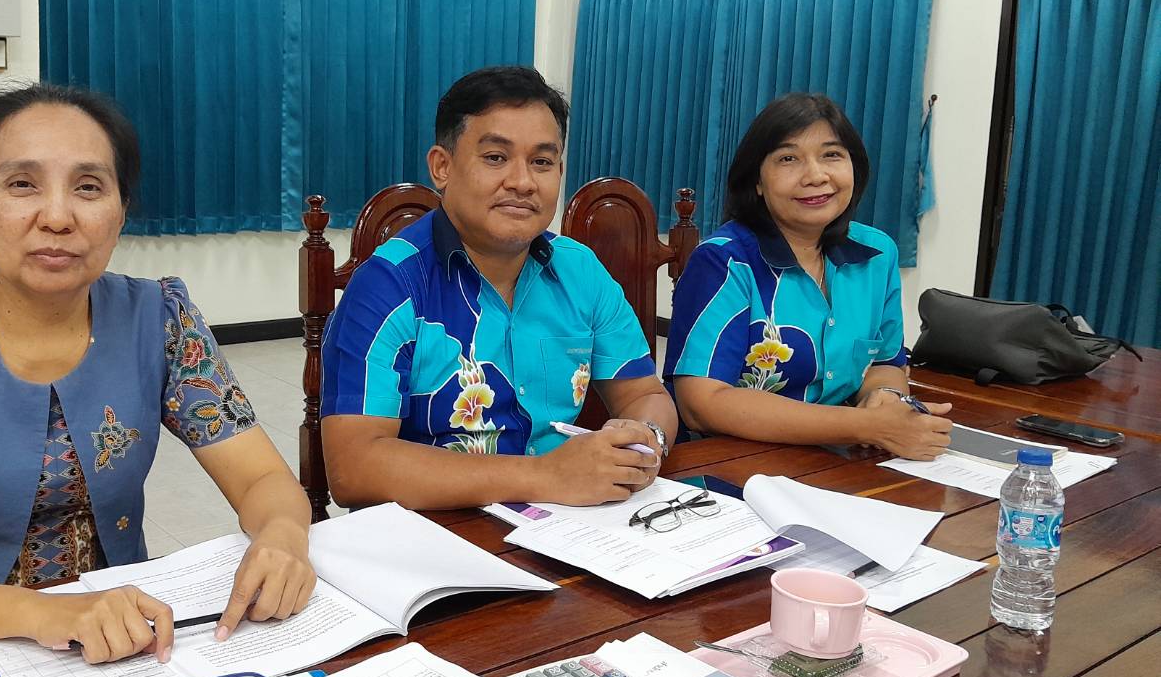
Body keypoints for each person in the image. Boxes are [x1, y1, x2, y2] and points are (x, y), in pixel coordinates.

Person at [0, 83, 316, 663]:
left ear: (121, 212)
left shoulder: (161, 319)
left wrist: (282, 535)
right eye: (22, 184)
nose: (57, 217)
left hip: (123, 640)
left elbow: (262, 479)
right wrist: (43, 614)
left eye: (88, 187)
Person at [320, 65, 679, 510]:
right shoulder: (389, 284)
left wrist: (647, 438)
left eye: (542, 162)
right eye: (495, 157)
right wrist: (545, 476)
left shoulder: (580, 270)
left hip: (573, 524)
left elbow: (644, 394)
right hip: (439, 528)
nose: (523, 182)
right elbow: (353, 468)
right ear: (442, 166)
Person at [664, 93, 952, 460]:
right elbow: (702, 404)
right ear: (756, 181)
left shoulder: (877, 254)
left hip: (835, 460)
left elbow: (885, 363)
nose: (816, 176)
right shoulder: (724, 261)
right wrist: (865, 425)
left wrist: (885, 400)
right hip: (728, 466)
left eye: (832, 155)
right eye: (788, 159)